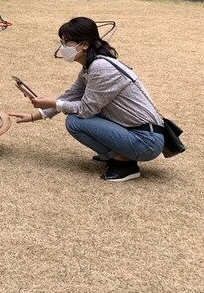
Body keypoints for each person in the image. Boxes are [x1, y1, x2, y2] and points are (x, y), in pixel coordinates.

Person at [8, 16, 164, 182]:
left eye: (67, 42)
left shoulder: (100, 67)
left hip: (146, 140)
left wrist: (54, 103)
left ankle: (124, 164)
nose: (62, 47)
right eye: (62, 41)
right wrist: (34, 116)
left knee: (75, 121)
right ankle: (118, 155)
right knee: (77, 117)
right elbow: (69, 96)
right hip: (139, 132)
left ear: (84, 45)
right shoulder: (89, 68)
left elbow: (85, 110)